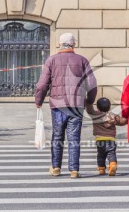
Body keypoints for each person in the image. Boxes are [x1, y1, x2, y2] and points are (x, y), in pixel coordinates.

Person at [35, 32, 97, 179]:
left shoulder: (51, 60)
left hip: (57, 105)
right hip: (76, 106)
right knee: (74, 137)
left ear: (59, 44)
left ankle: (56, 168)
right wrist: (89, 101)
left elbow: (42, 84)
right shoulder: (82, 60)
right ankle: (74, 170)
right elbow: (92, 84)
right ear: (74, 44)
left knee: (57, 136)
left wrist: (39, 101)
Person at [86, 97, 127, 176]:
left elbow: (89, 109)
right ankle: (113, 164)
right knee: (111, 153)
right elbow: (122, 121)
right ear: (110, 107)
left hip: (99, 140)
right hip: (110, 140)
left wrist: (87, 100)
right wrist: (128, 118)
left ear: (97, 107)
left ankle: (101, 169)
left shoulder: (95, 115)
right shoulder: (113, 116)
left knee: (100, 155)